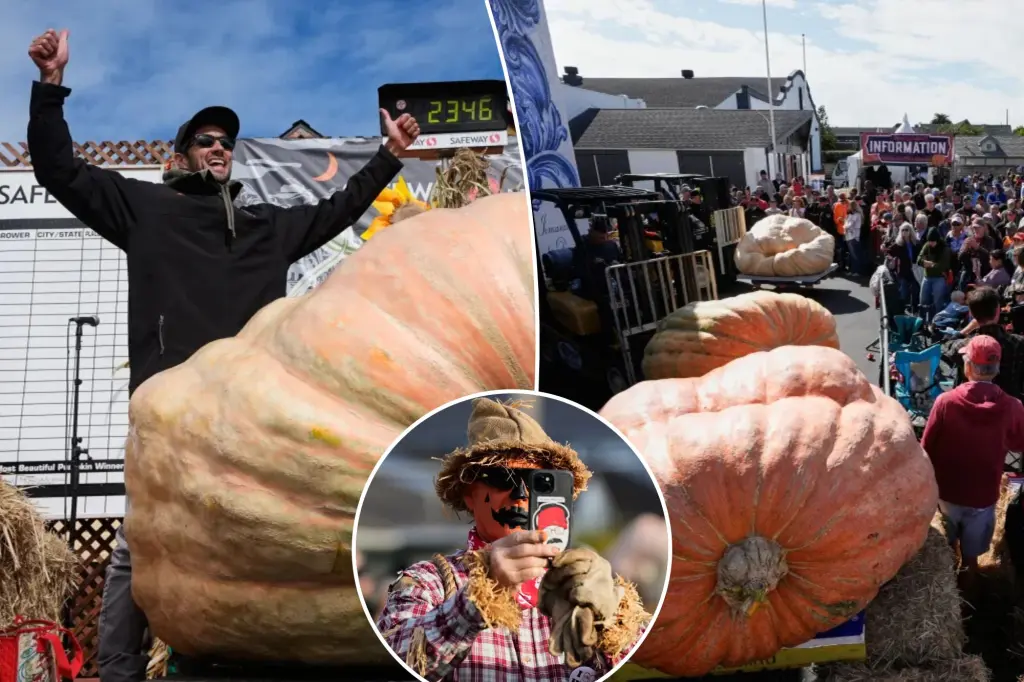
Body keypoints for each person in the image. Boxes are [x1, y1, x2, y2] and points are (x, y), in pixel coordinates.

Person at [27, 28, 421, 682]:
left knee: (253, 546)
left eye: (226, 142)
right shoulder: (144, 208)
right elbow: (58, 170)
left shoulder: (266, 228)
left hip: (247, 419)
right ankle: (121, 671)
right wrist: (50, 87)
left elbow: (337, 208)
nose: (219, 148)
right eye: (206, 140)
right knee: (138, 549)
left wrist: (388, 157)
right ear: (182, 156)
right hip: (170, 413)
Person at [376, 398, 648, 681]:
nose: (520, 494)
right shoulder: (428, 584)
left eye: (537, 481)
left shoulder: (587, 582)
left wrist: (611, 621)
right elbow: (397, 658)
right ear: (468, 495)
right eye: (501, 478)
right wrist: (478, 598)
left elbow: (654, 661)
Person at [923, 336, 1024, 592]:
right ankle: (969, 601)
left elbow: (926, 448)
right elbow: (1018, 443)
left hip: (947, 493)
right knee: (972, 558)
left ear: (967, 366)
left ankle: (951, 593)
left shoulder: (945, 403)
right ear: (997, 368)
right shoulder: (1013, 407)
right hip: (983, 496)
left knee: (949, 544)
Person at [945, 287, 1024, 402]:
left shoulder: (964, 345)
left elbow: (946, 345)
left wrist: (967, 329)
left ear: (971, 313)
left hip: (971, 406)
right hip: (1009, 408)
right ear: (998, 310)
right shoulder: (1018, 343)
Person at [917, 227, 952, 320]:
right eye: (930, 241)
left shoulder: (944, 249)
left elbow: (943, 266)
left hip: (939, 278)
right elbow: (919, 259)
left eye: (933, 241)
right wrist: (923, 262)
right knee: (923, 300)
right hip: (927, 277)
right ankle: (922, 320)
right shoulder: (927, 246)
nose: (931, 243)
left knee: (938, 301)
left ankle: (937, 321)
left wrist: (930, 265)